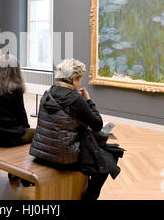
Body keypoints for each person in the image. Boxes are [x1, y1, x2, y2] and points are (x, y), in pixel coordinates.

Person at [29, 58, 124, 200]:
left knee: (102, 152)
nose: (80, 83)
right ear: (73, 79)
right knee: (105, 164)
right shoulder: (74, 98)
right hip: (63, 155)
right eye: (80, 79)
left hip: (41, 151)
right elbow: (97, 124)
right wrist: (88, 101)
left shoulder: (47, 93)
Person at [0, 54, 35, 147]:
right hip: (9, 136)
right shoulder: (15, 89)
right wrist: (26, 129)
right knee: (37, 133)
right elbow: (21, 114)